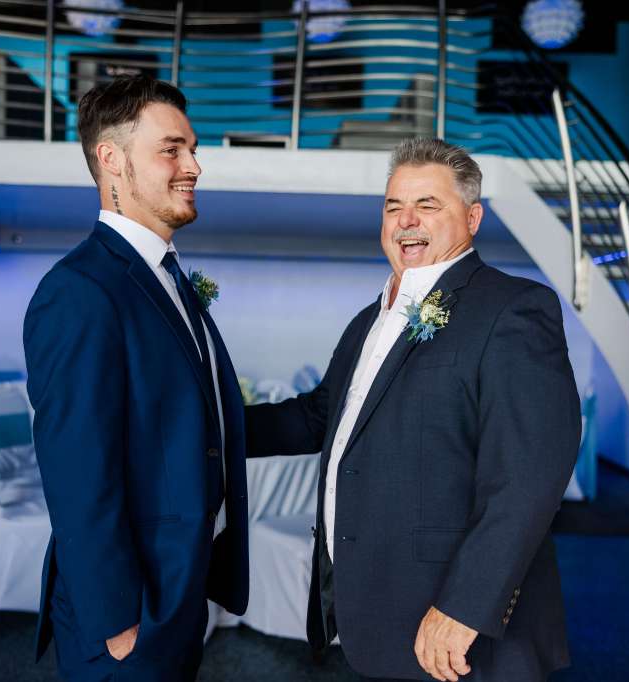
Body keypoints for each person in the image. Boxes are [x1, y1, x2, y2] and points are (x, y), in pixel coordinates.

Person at [245, 138, 581, 681]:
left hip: (457, 627)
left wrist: (465, 608)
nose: (406, 221)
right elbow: (317, 417)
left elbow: (528, 478)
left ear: (472, 218)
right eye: (394, 206)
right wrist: (204, 424)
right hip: (382, 609)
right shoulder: (368, 320)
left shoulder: (513, 308)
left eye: (427, 205)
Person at [23, 76, 249, 682]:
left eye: (192, 149)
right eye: (172, 150)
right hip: (128, 614)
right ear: (112, 159)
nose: (194, 166)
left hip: (175, 590)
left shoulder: (165, 276)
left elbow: (192, 420)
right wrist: (118, 620)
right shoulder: (80, 291)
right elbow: (77, 473)